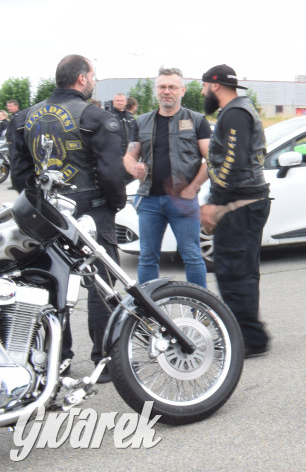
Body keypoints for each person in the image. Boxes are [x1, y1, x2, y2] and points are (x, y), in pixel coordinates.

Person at [9, 55, 126, 382]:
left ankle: (58, 358)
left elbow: (20, 176)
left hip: (46, 215)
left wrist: (40, 205)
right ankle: (104, 357)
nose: (94, 82)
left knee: (50, 283)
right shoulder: (95, 116)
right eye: (93, 76)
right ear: (81, 79)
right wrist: (113, 205)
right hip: (91, 211)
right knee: (101, 284)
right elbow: (111, 172)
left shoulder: (23, 119)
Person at [199, 64, 272, 357]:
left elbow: (232, 161)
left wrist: (214, 202)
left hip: (239, 205)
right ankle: (249, 335)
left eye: (204, 86)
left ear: (215, 85)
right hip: (247, 203)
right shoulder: (239, 111)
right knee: (243, 271)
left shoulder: (234, 114)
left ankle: (247, 338)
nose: (203, 92)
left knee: (232, 272)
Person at [124, 68, 211, 288]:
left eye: (172, 87)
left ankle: (200, 308)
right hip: (149, 201)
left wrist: (193, 188)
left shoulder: (197, 120)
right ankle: (149, 310)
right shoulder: (141, 122)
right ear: (157, 91)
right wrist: (134, 167)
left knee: (191, 255)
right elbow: (129, 155)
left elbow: (212, 160)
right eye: (162, 87)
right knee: (147, 257)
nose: (167, 91)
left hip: (183, 201)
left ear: (181, 91)